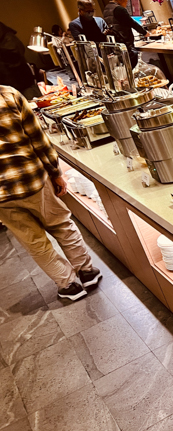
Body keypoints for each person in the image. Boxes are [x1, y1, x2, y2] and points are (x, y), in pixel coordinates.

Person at [0, 85, 101, 301]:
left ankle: (69, 286)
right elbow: (38, 139)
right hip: (32, 178)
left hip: (3, 198)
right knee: (61, 224)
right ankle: (86, 272)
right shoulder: (8, 95)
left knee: (34, 242)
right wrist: (56, 172)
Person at [102, 0, 149, 67]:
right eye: (126, 1)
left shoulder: (106, 9)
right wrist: (145, 33)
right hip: (125, 41)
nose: (126, 4)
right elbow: (131, 23)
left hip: (115, 42)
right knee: (132, 64)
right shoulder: (119, 9)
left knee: (125, 66)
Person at [0, 21, 38, 99]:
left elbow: (15, 57)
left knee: (34, 106)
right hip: (9, 87)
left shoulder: (8, 38)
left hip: (20, 83)